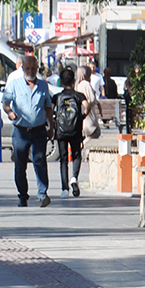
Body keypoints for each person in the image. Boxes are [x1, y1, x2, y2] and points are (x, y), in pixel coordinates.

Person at [2, 54, 53, 208]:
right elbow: (5, 102)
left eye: (33, 68)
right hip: (20, 131)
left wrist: (51, 126)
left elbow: (48, 107)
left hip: (38, 130)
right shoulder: (14, 84)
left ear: (37, 69)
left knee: (40, 161)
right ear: (22, 68)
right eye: (27, 68)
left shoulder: (43, 86)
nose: (30, 71)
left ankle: (42, 194)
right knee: (20, 164)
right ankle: (22, 196)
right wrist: (10, 112)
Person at [51, 66, 87, 199]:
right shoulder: (78, 96)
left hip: (61, 131)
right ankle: (74, 178)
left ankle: (64, 189)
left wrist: (52, 123)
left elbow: (50, 110)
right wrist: (82, 116)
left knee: (63, 159)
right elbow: (87, 106)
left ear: (61, 81)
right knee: (77, 155)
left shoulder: (57, 97)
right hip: (75, 130)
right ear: (73, 81)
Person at [75, 65, 101, 142]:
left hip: (82, 113)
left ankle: (84, 148)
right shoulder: (86, 84)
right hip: (89, 113)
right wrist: (95, 102)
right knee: (95, 132)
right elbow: (92, 99)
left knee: (88, 134)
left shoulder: (77, 84)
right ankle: (83, 146)